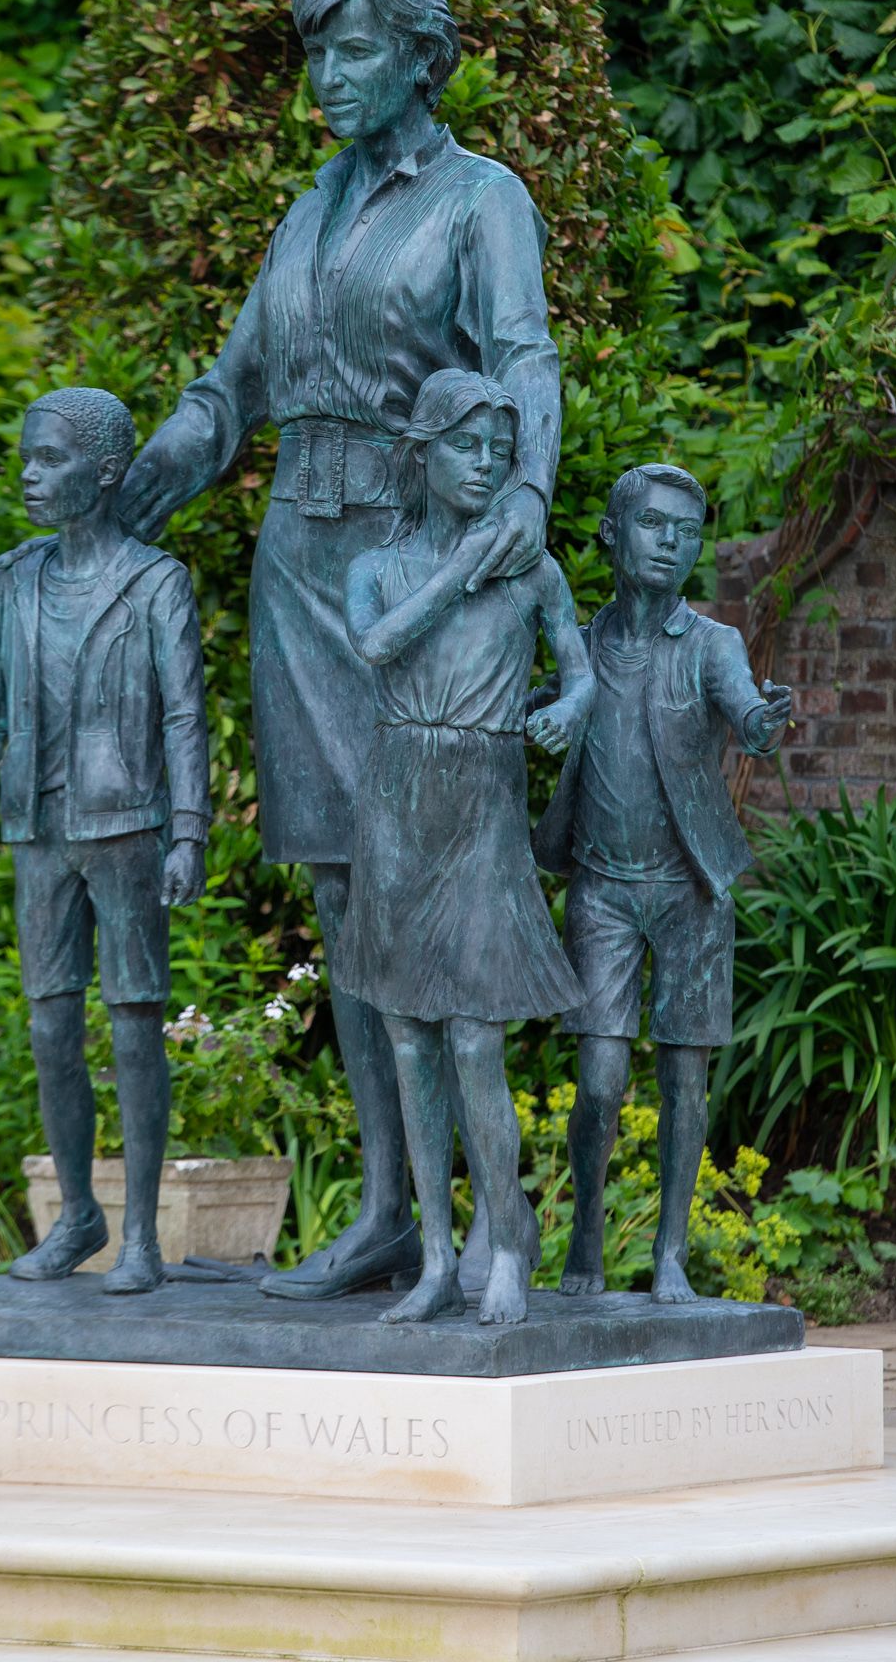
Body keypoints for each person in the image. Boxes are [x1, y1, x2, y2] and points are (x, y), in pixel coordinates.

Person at [115, 0, 562, 1301]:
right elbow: (233, 380)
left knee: (425, 881)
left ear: (421, 57)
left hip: (410, 563)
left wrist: (527, 491)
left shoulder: (480, 200)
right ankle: (385, 1212)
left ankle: (489, 1230)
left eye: (351, 47)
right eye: (313, 49)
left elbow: (522, 352)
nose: (325, 75)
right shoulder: (304, 212)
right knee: (335, 880)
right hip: (298, 560)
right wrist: (143, 481)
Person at [0, 387, 209, 1294]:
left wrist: (189, 832)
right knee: (52, 1026)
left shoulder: (156, 583)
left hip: (124, 825)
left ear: (107, 471)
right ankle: (77, 1216)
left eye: (49, 461)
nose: (30, 477)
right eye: (26, 460)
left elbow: (184, 718)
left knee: (133, 1025)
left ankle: (139, 1235)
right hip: (38, 830)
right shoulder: (15, 583)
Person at [337, 370, 593, 1326]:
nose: (486, 465)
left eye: (500, 449)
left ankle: (506, 1244)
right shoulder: (375, 565)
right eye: (466, 447)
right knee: (408, 1037)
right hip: (398, 796)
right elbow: (375, 646)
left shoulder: (533, 568)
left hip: (480, 795)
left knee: (477, 1037)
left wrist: (567, 708)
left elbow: (578, 668)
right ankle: (437, 1261)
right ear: (424, 455)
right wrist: (460, 566)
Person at [532, 464, 791, 1304]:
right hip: (601, 887)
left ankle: (671, 1252)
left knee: (685, 1076)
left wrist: (761, 722)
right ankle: (585, 1241)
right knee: (599, 1083)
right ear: (612, 533)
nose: (671, 542)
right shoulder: (580, 642)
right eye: (653, 524)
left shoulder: (713, 644)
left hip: (689, 889)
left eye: (686, 530)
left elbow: (745, 709)